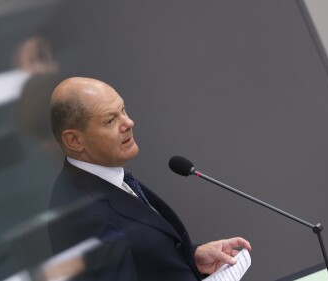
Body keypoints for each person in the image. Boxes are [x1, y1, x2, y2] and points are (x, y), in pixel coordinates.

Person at [48, 77, 251, 281]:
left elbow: (141, 257)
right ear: (74, 140)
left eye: (123, 110)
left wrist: (191, 258)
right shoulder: (81, 217)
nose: (128, 122)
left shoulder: (108, 176)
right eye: (110, 120)